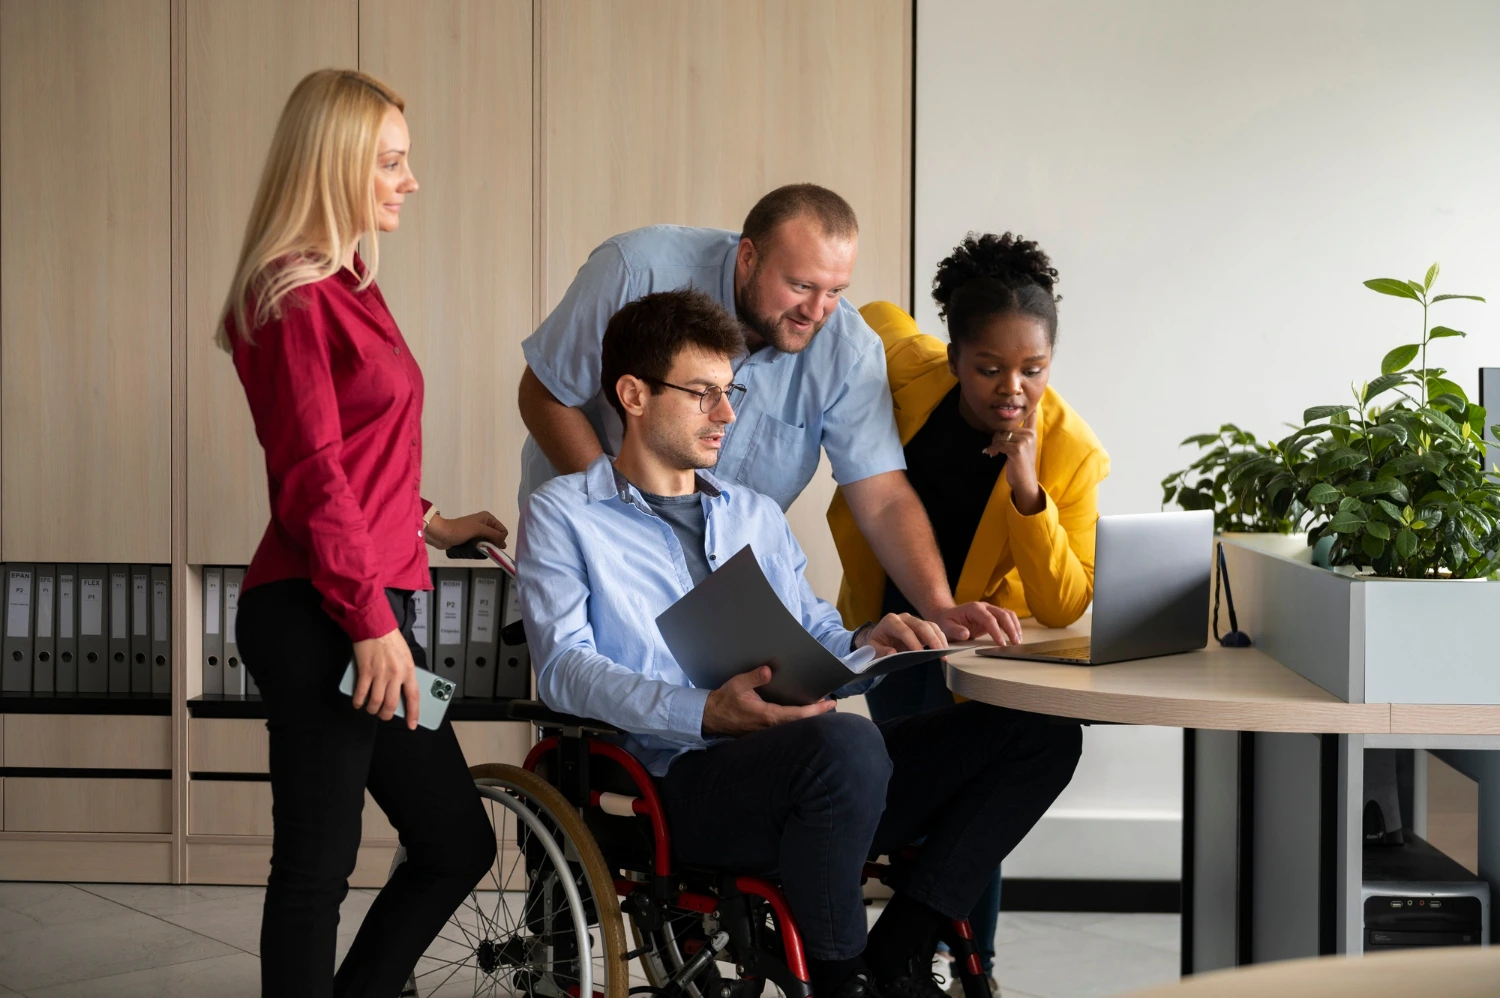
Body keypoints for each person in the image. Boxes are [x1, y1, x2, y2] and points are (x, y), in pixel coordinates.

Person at [516, 288, 1083, 998]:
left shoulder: (751, 513)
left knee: (1039, 734)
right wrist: (702, 712)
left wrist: (874, 640)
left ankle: (904, 943)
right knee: (846, 746)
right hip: (677, 782)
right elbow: (564, 668)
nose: (726, 415)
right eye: (703, 394)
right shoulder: (565, 515)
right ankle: (842, 979)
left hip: (811, 768)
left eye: (730, 393)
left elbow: (816, 633)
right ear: (632, 394)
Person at [221, 69, 508, 997]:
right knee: (316, 865)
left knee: (456, 840)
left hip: (370, 602)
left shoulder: (350, 285)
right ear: (337, 165)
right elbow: (311, 475)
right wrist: (369, 624)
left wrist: (434, 521)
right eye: (390, 161)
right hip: (324, 611)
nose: (409, 180)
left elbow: (361, 452)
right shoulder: (292, 293)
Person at [517, 184, 1019, 647]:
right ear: (748, 257)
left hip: (719, 582)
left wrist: (940, 607)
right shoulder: (634, 270)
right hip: (595, 541)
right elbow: (545, 394)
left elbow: (883, 497)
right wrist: (621, 527)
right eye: (801, 285)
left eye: (836, 291)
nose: (817, 311)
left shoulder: (848, 350)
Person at [828, 232, 1109, 993]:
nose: (1011, 388)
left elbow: (1066, 600)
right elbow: (861, 316)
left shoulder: (1070, 452)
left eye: (1033, 370)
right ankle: (892, 953)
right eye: (988, 368)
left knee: (974, 804)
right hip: (896, 630)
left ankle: (966, 965)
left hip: (981, 647)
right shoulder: (905, 366)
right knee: (906, 799)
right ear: (952, 359)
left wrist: (1026, 488)